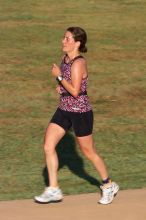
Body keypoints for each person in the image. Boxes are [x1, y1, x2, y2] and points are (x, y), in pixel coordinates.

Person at [34, 27, 119, 205]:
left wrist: (58, 78)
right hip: (64, 110)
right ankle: (53, 189)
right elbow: (68, 86)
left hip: (80, 113)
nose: (63, 41)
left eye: (67, 39)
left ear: (77, 43)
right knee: (48, 145)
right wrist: (61, 86)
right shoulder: (65, 59)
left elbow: (75, 91)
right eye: (63, 38)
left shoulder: (79, 63)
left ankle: (108, 185)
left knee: (88, 152)